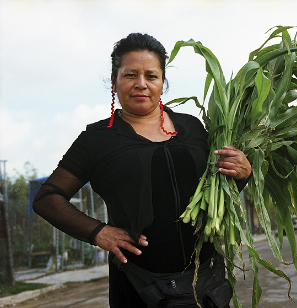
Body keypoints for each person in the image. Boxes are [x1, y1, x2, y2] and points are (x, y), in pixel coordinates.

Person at [33, 33, 252, 308]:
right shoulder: (98, 138)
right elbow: (47, 198)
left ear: (162, 83)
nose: (141, 84)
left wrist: (242, 174)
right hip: (140, 288)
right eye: (130, 75)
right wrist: (98, 231)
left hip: (206, 285)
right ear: (114, 82)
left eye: (151, 75)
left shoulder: (193, 127)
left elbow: (215, 189)